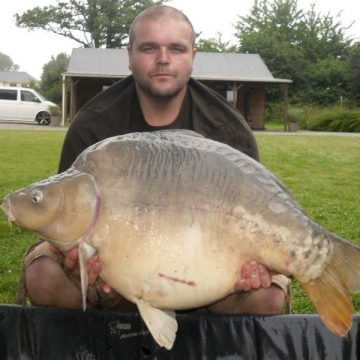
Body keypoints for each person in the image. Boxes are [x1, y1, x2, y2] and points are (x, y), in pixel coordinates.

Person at [17, 5, 290, 314]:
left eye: (176, 48)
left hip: (203, 274)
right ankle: (103, 342)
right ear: (130, 55)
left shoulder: (227, 130)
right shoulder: (93, 123)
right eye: (150, 48)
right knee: (43, 274)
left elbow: (252, 217)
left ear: (192, 57)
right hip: (113, 268)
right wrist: (75, 258)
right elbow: (67, 216)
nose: (163, 59)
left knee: (268, 294)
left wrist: (250, 267)